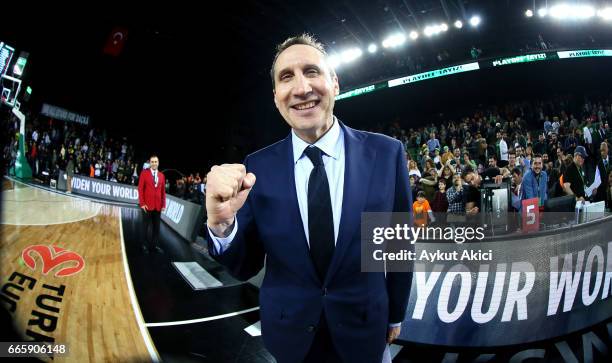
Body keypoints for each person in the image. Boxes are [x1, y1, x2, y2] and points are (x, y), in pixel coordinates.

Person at [205, 34, 412, 363]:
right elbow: (245, 265)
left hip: (366, 331)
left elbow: (397, 247)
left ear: (335, 83)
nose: (301, 88)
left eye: (312, 71)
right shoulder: (257, 168)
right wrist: (221, 223)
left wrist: (395, 314)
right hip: (289, 337)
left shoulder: (386, 154)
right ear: (276, 97)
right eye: (286, 77)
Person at [138, 155, 166, 254]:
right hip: (146, 206)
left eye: (156, 162)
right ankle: (144, 245)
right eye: (152, 162)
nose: (154, 163)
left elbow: (163, 191)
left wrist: (163, 204)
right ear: (150, 163)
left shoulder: (162, 176)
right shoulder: (144, 173)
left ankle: (154, 246)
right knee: (145, 227)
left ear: (158, 163)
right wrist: (142, 203)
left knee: (156, 228)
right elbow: (140, 189)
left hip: (157, 206)